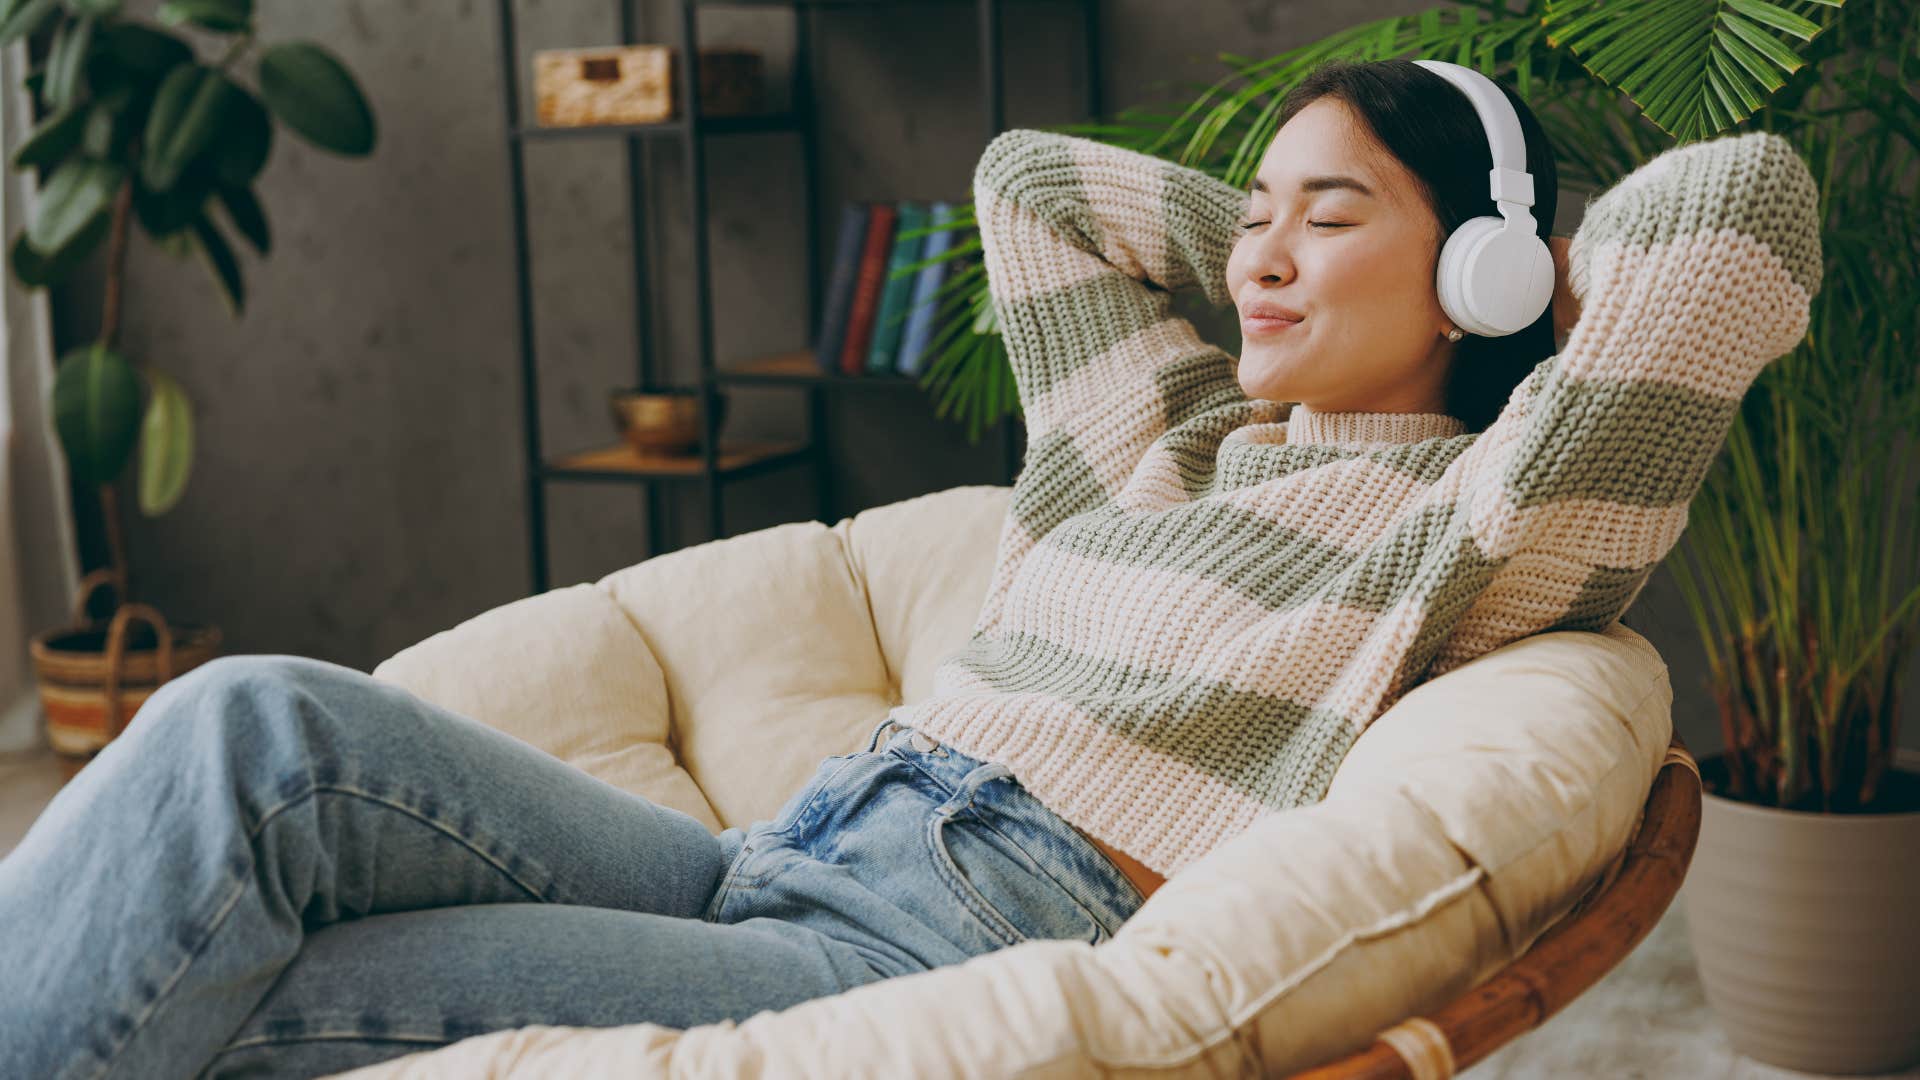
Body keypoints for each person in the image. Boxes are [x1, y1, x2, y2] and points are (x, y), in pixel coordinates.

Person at [0, 57, 1821, 1079]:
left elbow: (1741, 214)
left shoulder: (1480, 520)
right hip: (776, 846)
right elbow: (1031, 184)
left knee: (236, 999)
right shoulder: (1165, 443)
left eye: (1328, 218)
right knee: (250, 728)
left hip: (924, 938)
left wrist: (1520, 275)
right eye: (1249, 220)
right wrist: (1297, 237)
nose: (1258, 258)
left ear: (1482, 273)